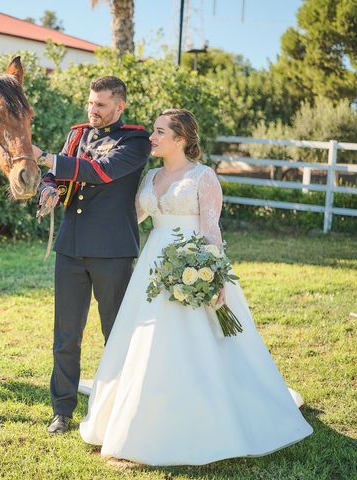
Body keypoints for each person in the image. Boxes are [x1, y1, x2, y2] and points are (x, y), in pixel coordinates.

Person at [78, 109, 313, 465]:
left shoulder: (204, 177)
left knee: (198, 345)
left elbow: (211, 231)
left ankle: (210, 417)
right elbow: (132, 217)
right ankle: (138, 418)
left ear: (181, 138)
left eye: (159, 132)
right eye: (153, 132)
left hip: (192, 263)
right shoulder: (150, 175)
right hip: (151, 271)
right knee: (147, 344)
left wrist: (214, 277)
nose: (151, 138)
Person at [31, 76, 151, 434]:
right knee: (66, 335)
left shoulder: (136, 140)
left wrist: (44, 156)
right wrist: (49, 187)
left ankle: (121, 407)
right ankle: (62, 410)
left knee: (115, 333)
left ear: (119, 106)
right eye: (90, 103)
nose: (93, 110)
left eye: (100, 105)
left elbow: (100, 171)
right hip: (71, 247)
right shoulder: (78, 134)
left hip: (112, 250)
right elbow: (60, 172)